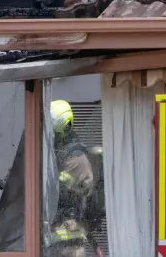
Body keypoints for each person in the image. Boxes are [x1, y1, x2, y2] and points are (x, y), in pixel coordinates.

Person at [47, 100, 96, 257]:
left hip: (68, 229)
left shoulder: (75, 157)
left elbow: (85, 190)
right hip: (56, 229)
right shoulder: (55, 151)